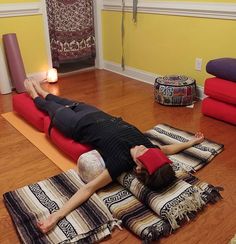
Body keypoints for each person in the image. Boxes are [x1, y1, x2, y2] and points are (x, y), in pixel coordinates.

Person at [24, 79, 204, 234]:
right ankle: (42, 90)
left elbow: (88, 189)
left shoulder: (120, 161)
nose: (143, 147)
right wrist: (191, 143)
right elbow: (168, 149)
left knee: (49, 106)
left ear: (138, 168)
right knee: (63, 100)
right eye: (150, 150)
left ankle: (33, 94)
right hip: (95, 113)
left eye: (144, 153)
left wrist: (57, 215)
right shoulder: (149, 148)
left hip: (76, 125)